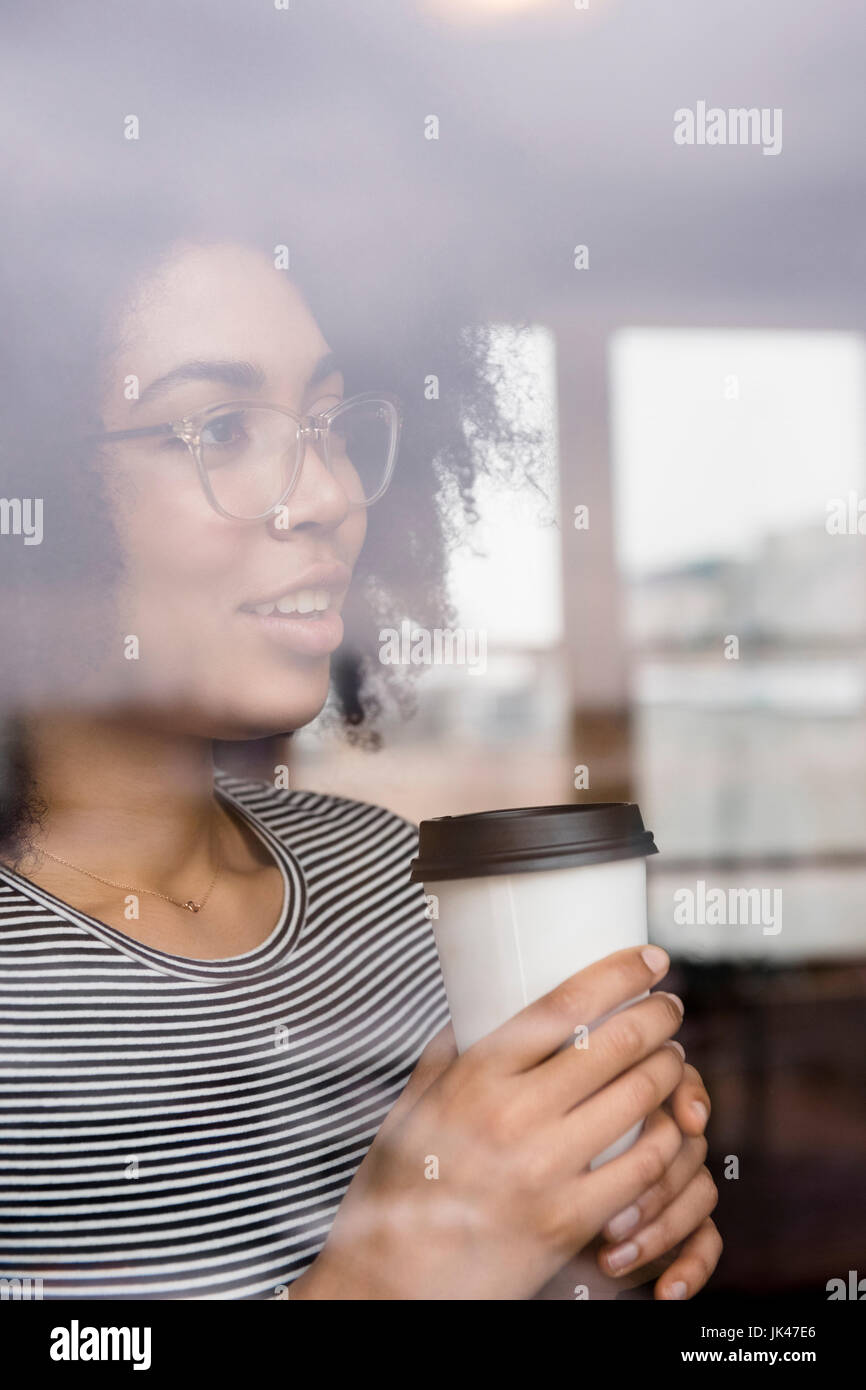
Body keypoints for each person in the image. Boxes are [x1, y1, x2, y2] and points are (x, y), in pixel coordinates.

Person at [0, 221, 720, 1300]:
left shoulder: (393, 878)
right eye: (221, 426)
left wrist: (599, 1235)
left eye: (327, 424)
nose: (333, 494)